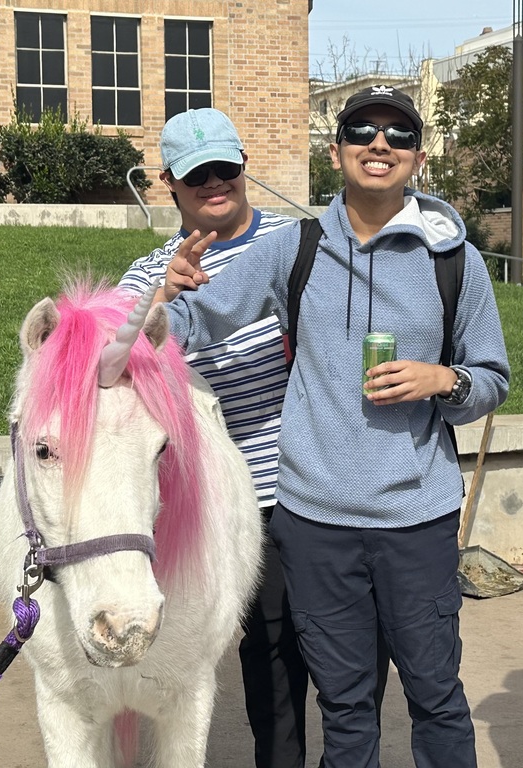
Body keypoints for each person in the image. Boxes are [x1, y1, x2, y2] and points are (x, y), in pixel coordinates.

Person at [156, 86, 510, 767]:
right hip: (317, 525)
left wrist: (446, 381)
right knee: (345, 708)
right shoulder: (299, 248)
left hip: (417, 519)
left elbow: (491, 376)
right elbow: (195, 322)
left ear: (419, 157)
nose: (380, 144)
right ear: (336, 150)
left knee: (437, 695)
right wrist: (161, 298)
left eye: (398, 134)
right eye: (362, 130)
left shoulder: (453, 259)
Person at [119, 107, 387, 768]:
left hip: (317, 486)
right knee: (268, 662)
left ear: (244, 169)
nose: (216, 183)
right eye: (197, 174)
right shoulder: (149, 272)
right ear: (169, 184)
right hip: (226, 505)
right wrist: (160, 300)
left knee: (352, 649)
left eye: (227, 169)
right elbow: (101, 364)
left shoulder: (305, 243)